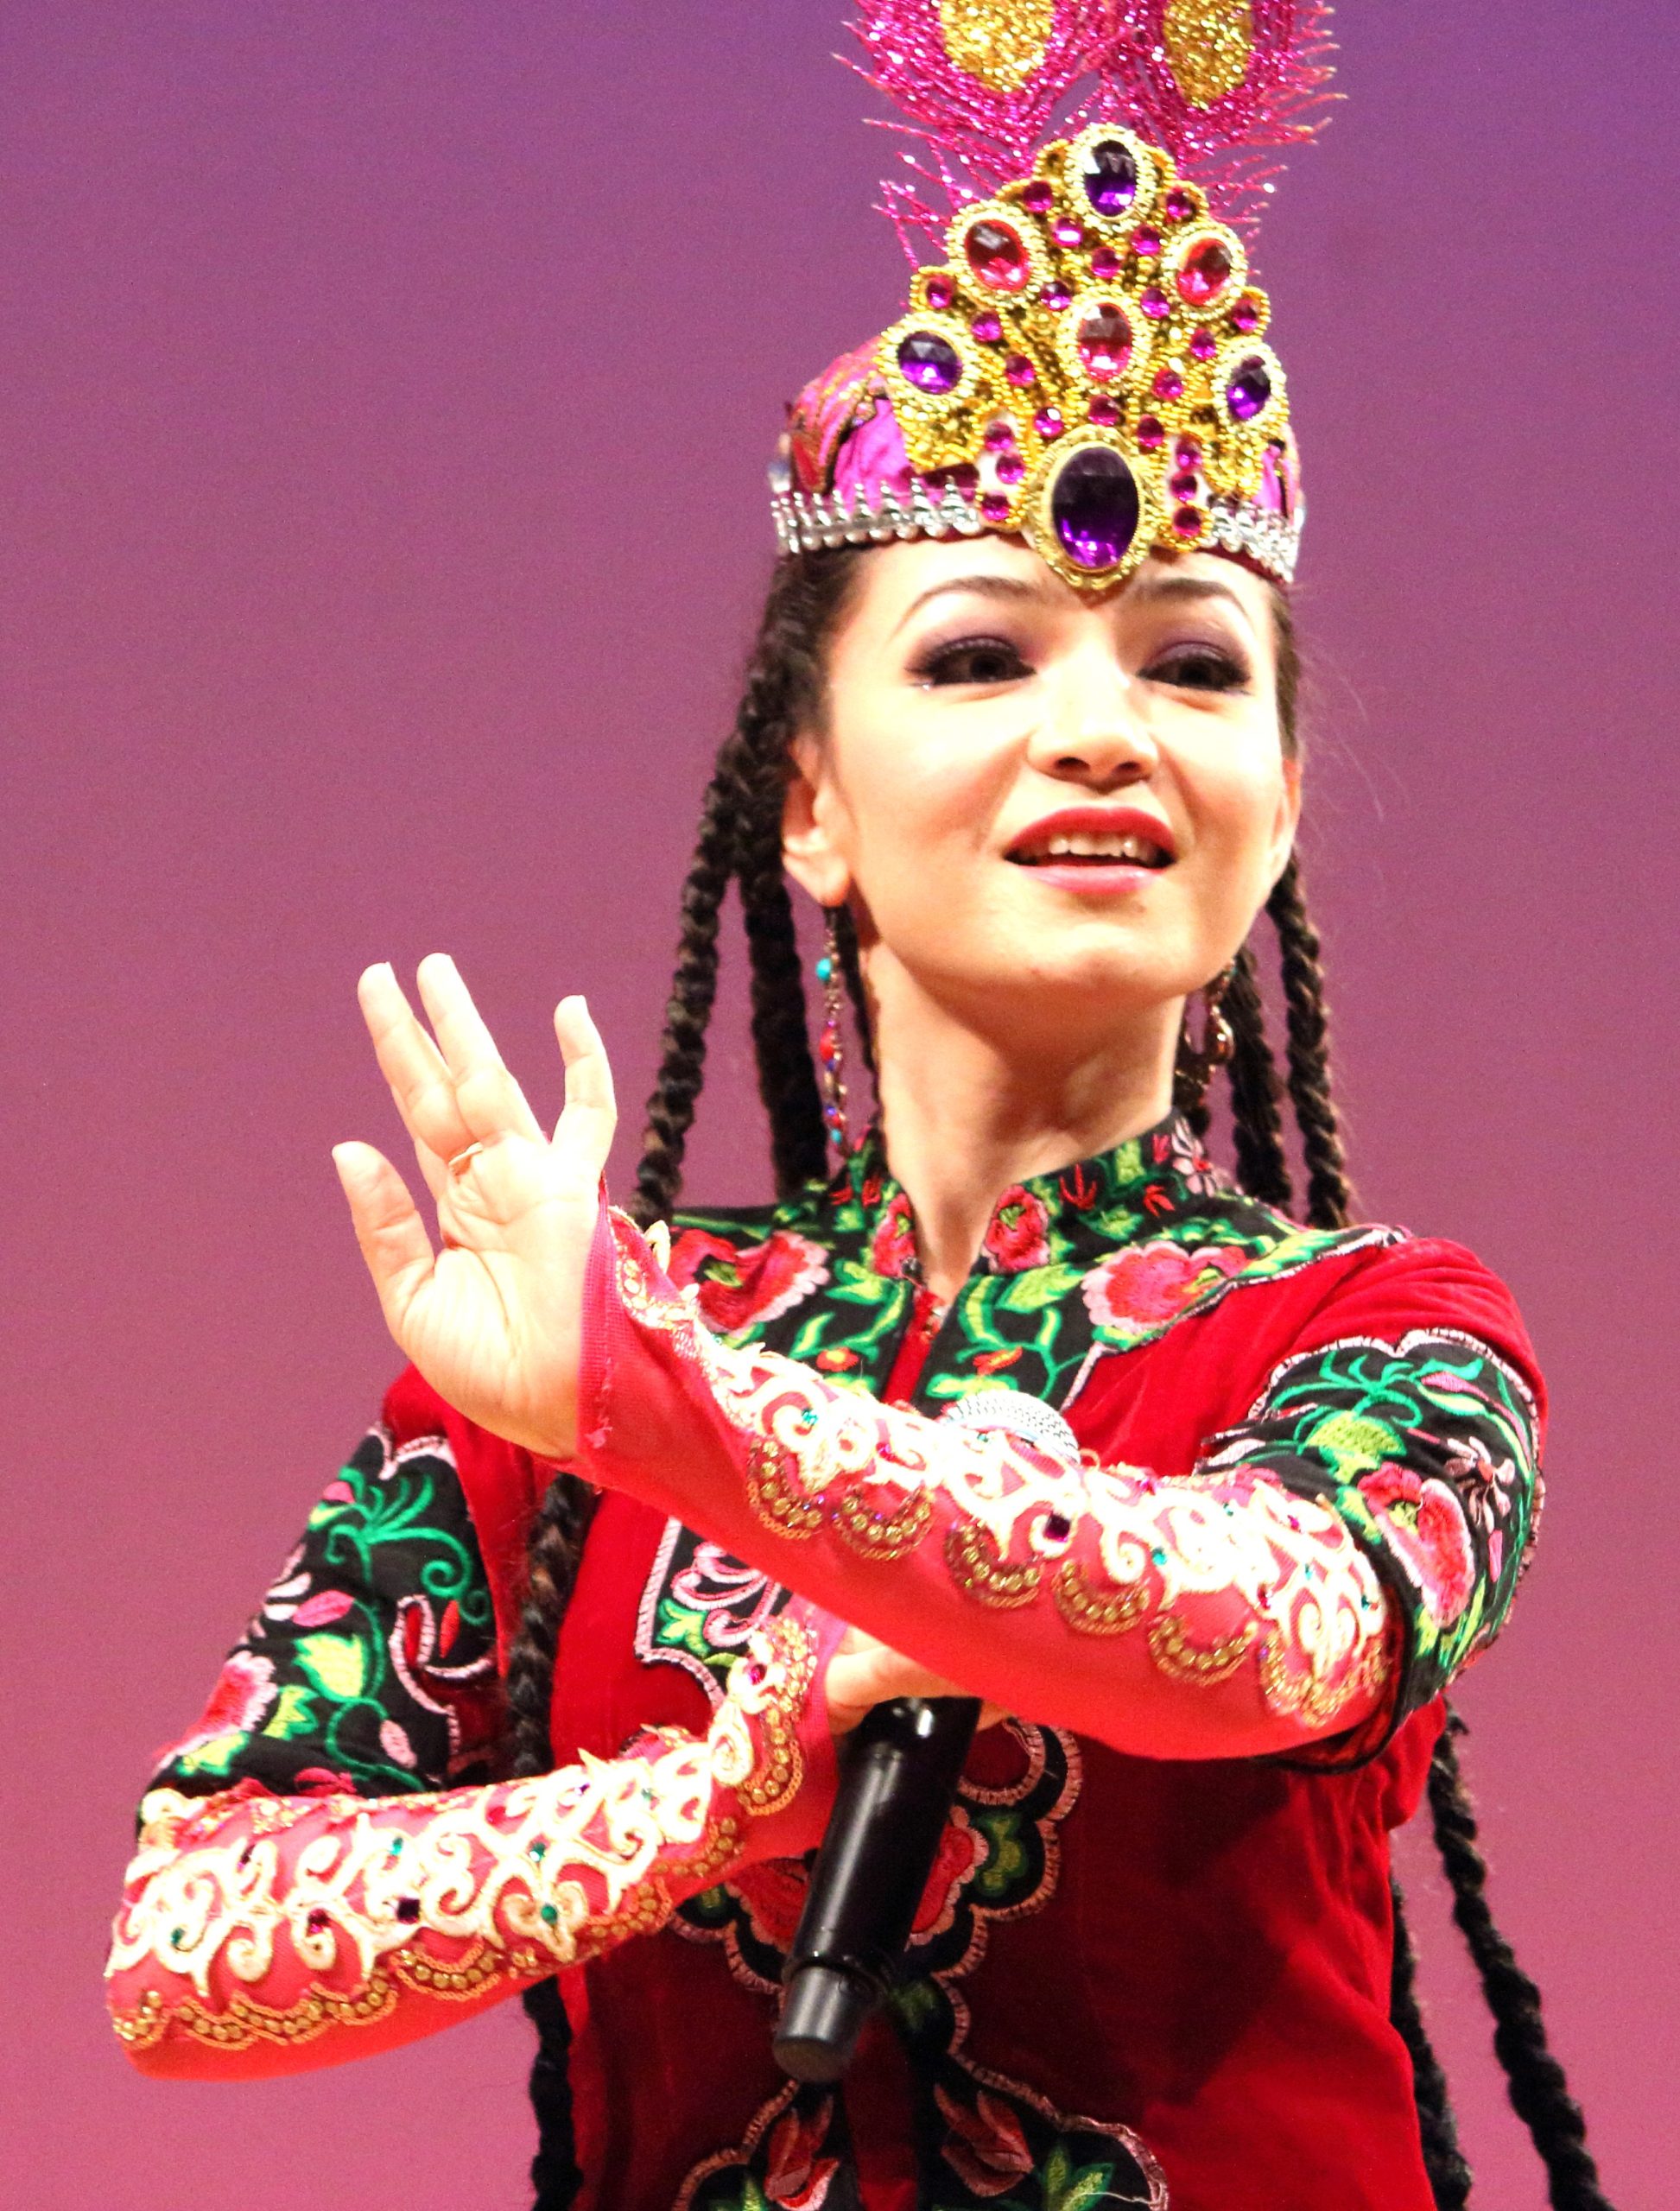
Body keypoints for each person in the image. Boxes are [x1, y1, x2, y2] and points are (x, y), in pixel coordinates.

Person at [105, 6, 1611, 2208]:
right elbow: (185, 1944)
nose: (1101, 727)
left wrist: (659, 1402)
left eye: (1193, 663)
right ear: (806, 800)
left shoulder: (1387, 1337)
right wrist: (707, 1796)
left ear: (1278, 807)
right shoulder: (563, 1354)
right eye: (981, 654)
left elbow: (1264, 1626)